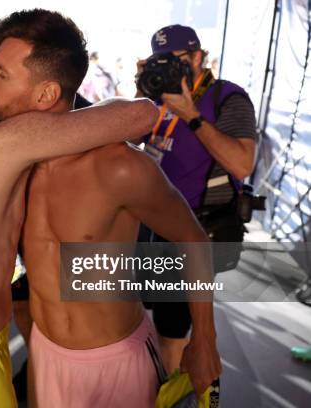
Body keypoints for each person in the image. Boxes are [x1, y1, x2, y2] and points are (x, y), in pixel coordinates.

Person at [0, 21, 220, 408]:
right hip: (46, 356)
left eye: (1, 74)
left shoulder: (119, 167)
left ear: (46, 93)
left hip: (117, 359)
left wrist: (204, 342)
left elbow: (194, 240)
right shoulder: (11, 171)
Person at [136, 24, 258, 374]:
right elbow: (132, 143)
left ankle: (172, 388)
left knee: (173, 324)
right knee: (153, 313)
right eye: (161, 63)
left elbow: (241, 163)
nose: (169, 69)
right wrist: (142, 91)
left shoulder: (226, 97)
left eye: (177, 61)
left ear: (198, 57)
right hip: (155, 225)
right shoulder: (156, 98)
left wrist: (191, 115)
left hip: (199, 227)